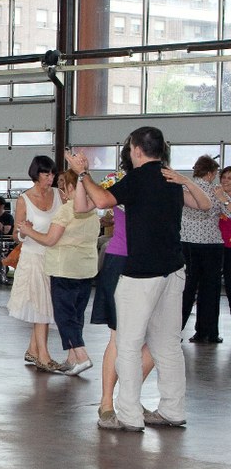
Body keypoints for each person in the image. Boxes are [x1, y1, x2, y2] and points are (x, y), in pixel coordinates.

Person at [68, 126, 210, 430]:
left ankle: (129, 415)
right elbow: (205, 204)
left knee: (129, 345)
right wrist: (186, 180)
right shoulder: (170, 178)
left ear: (136, 149)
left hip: (142, 273)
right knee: (168, 344)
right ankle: (172, 410)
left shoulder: (137, 178)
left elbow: (102, 202)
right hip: (174, 269)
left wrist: (83, 174)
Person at [76, 139, 155, 428]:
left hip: (156, 264)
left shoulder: (164, 180)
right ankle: (107, 402)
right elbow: (83, 206)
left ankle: (128, 397)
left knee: (158, 339)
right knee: (119, 336)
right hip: (122, 261)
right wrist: (82, 176)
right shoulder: (118, 180)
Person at [17, 169, 100, 376]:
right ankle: (72, 358)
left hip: (64, 269)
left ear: (71, 187)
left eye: (63, 186)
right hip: (86, 269)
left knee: (64, 316)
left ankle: (81, 355)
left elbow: (49, 239)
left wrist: (28, 231)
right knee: (77, 314)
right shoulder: (93, 211)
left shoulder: (66, 210)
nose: (61, 192)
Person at [7, 156, 63, 372]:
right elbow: (15, 234)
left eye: (52, 174)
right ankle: (44, 356)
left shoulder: (59, 195)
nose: (51, 178)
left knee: (46, 305)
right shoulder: (24, 199)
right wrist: (24, 231)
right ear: (36, 174)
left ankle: (33, 350)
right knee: (42, 307)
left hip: (54, 257)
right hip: (33, 258)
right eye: (46, 174)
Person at [180, 155, 227, 344]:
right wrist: (224, 199)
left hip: (187, 244)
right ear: (210, 174)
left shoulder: (185, 189)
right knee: (210, 291)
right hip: (212, 246)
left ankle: (175, 331)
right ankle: (208, 333)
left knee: (186, 289)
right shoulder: (216, 191)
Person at [219, 166, 231, 312]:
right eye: (224, 177)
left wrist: (225, 201)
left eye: (229, 178)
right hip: (217, 245)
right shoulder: (216, 195)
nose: (225, 181)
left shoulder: (223, 198)